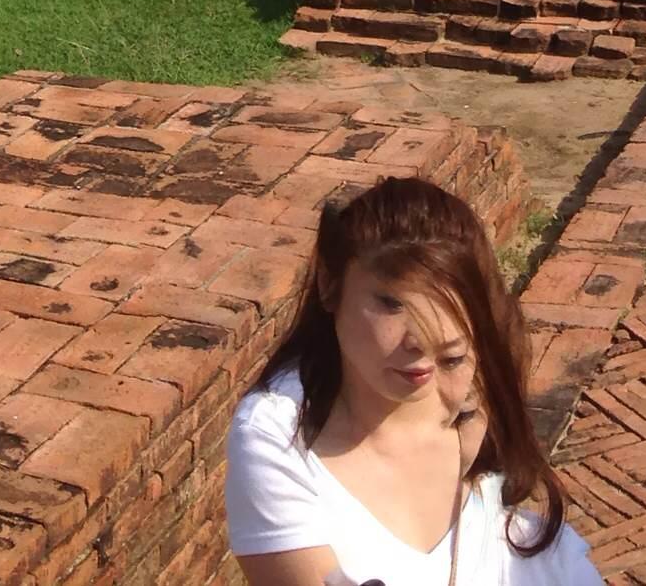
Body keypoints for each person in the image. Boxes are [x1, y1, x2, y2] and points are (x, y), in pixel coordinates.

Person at [232, 172, 599, 586]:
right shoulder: (277, 433)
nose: (421, 342)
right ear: (330, 286)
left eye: (453, 355)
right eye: (391, 304)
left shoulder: (469, 380)